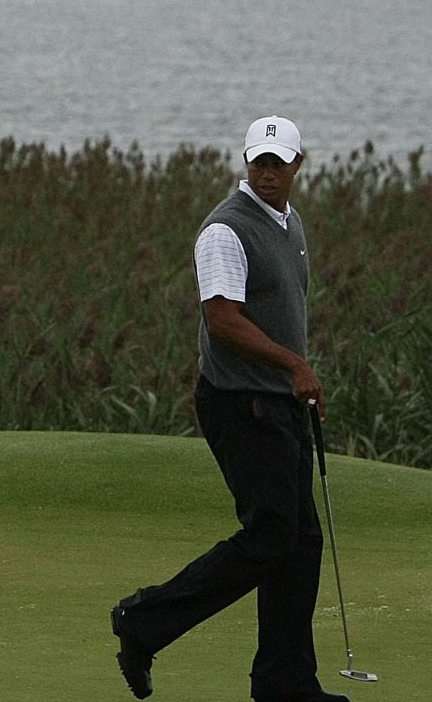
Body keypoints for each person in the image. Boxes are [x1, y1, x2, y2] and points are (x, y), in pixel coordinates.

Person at [109, 116, 347, 702]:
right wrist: (295, 366)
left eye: (278, 163)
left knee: (301, 542)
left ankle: (284, 683)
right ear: (246, 162)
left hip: (277, 404)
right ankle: (144, 621)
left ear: (298, 165)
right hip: (240, 402)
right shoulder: (225, 231)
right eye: (258, 162)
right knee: (270, 537)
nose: (267, 173)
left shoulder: (289, 224)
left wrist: (295, 382)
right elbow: (223, 321)